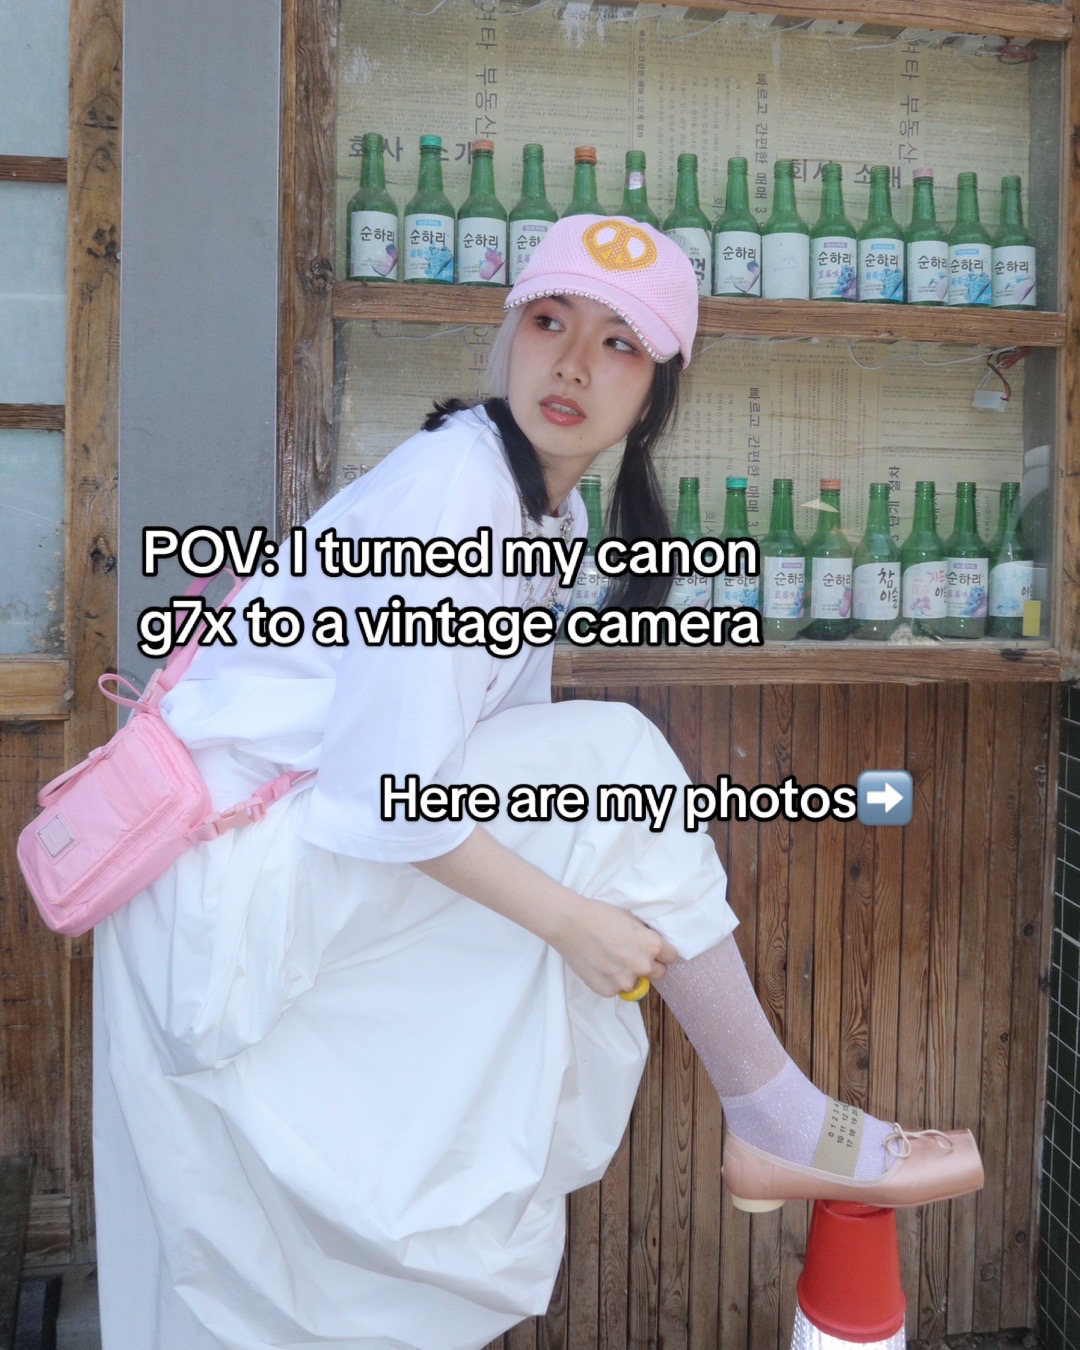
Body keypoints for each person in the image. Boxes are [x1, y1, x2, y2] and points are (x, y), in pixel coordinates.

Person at [92, 215, 983, 1350]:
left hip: (274, 856)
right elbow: (392, 794)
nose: (571, 363)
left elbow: (477, 764)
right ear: (509, 334)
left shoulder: (536, 513)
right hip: (227, 879)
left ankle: (771, 1110)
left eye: (619, 343)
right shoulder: (456, 490)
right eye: (551, 321)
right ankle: (770, 1111)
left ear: (654, 394)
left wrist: (575, 907)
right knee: (615, 763)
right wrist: (571, 921)